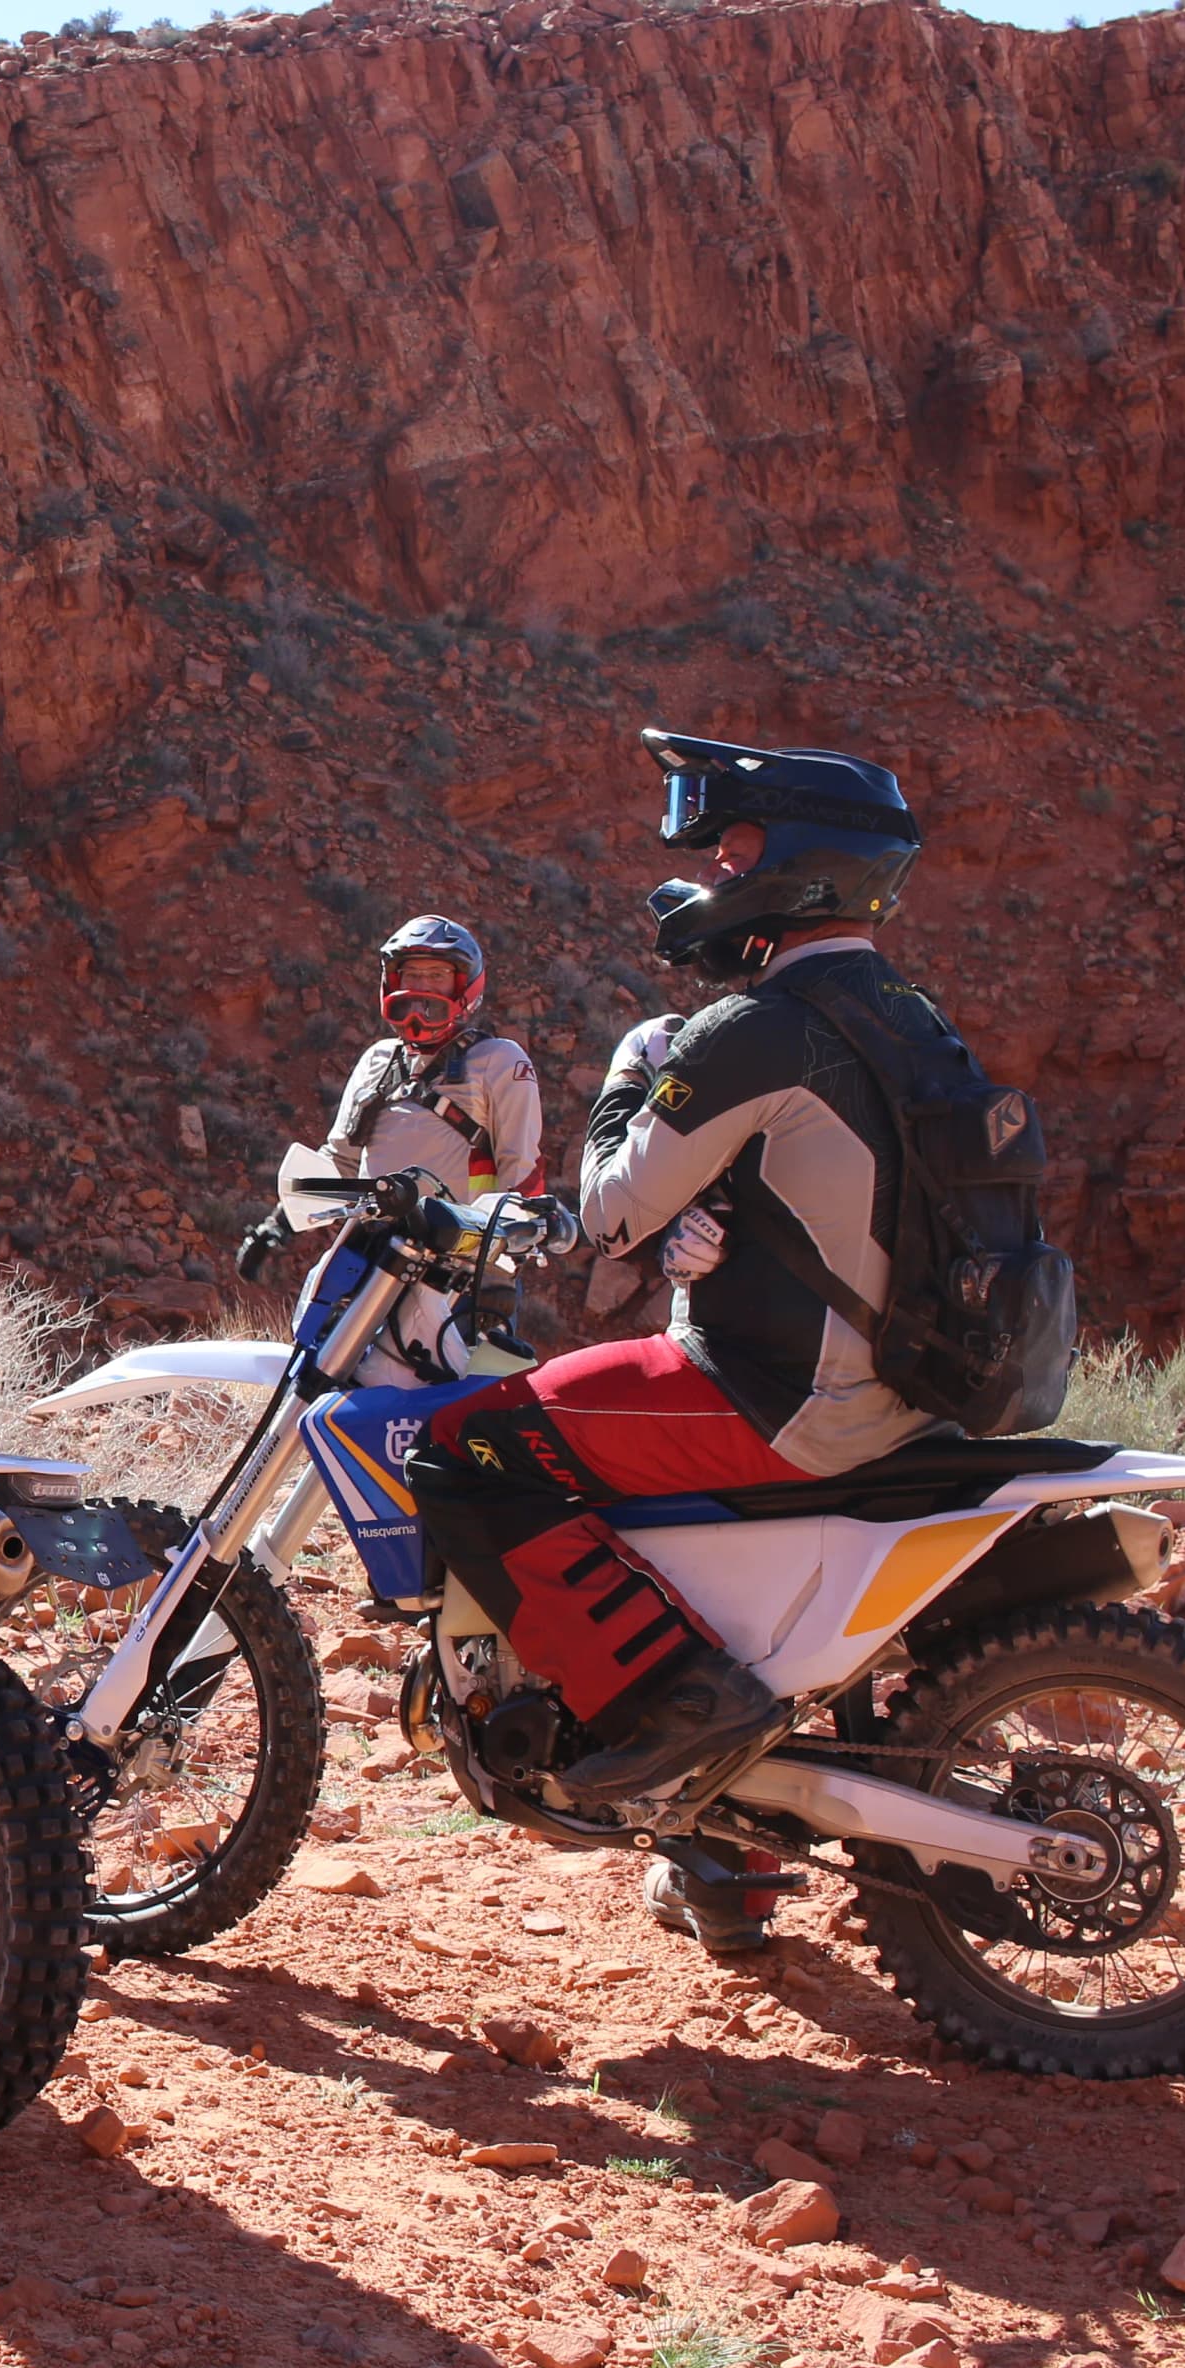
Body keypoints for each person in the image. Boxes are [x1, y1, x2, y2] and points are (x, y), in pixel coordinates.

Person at [403, 730, 956, 1872]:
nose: (714, 877)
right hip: (899, 1387)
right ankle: (722, 1849)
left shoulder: (758, 1030)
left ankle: (672, 1703)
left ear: (798, 866)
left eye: (735, 851)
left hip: (783, 1398)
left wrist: (624, 1076)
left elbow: (609, 1213)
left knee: (465, 1449)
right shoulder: (913, 1018)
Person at [237, 915, 540, 1277]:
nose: (421, 987)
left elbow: (519, 1169)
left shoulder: (499, 1060)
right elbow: (340, 1161)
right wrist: (278, 1225)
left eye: (436, 975)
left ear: (463, 986)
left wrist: (507, 1244)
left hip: (458, 1263)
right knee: (316, 1327)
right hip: (368, 1251)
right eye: (412, 974)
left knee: (458, 1337)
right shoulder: (377, 1060)